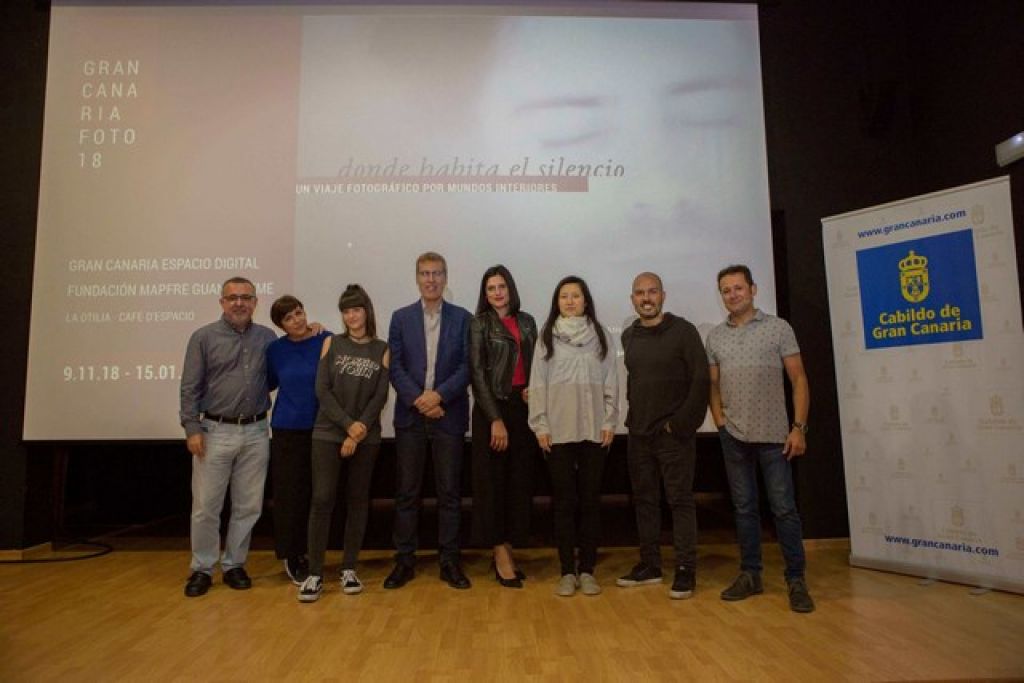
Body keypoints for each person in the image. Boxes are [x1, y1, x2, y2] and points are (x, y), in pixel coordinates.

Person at [706, 264, 815, 613]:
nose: (732, 295)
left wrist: (799, 427)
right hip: (734, 436)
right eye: (726, 290)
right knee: (744, 509)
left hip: (774, 436)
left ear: (753, 289)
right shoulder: (715, 337)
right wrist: (720, 421)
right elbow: (713, 384)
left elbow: (799, 379)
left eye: (738, 288)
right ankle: (750, 574)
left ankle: (796, 579)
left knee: (783, 509)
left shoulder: (778, 328)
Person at [179, 276, 276, 597]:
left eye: (246, 297)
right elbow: (190, 388)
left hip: (257, 431)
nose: (239, 303)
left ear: (255, 302)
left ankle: (234, 564)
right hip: (214, 431)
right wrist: (192, 428)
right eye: (233, 297)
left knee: (248, 506)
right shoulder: (203, 338)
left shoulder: (267, 337)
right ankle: (202, 568)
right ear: (222, 302)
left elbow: (278, 375)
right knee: (206, 506)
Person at [617, 272, 709, 599]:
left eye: (652, 291)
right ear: (633, 299)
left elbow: (701, 381)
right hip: (638, 434)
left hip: (673, 436)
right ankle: (650, 565)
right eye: (640, 293)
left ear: (663, 296)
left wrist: (680, 424)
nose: (646, 298)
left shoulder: (684, 332)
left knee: (680, 500)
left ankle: (685, 569)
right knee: (644, 501)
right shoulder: (629, 336)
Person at [385, 252, 473, 590]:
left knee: (450, 493)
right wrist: (420, 401)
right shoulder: (400, 318)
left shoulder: (463, 318)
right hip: (411, 417)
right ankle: (404, 561)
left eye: (437, 273)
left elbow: (466, 366)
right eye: (425, 273)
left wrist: (438, 397)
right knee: (407, 493)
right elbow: (395, 367)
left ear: (445, 278)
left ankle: (449, 561)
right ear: (417, 278)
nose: (431, 280)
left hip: (448, 415)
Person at [299, 285, 390, 602]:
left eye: (356, 309)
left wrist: (358, 430)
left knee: (357, 500)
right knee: (322, 499)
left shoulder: (382, 348)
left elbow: (380, 396)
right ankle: (314, 573)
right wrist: (348, 426)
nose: (351, 316)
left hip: (366, 436)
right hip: (328, 432)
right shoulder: (331, 343)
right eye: (346, 311)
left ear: (367, 311)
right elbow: (322, 390)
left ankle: (349, 568)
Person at [528, 275, 618, 597]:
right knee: (564, 504)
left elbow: (611, 381)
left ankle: (588, 570)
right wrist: (541, 425)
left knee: (590, 503)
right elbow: (537, 383)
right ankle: (567, 570)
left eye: (575, 296)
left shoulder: (601, 335)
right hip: (558, 433)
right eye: (564, 296)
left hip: (594, 431)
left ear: (585, 300)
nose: (570, 301)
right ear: (557, 302)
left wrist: (610, 420)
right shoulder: (546, 337)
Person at [468, 265, 538, 589]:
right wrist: (495, 418)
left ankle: (508, 546)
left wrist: (534, 388)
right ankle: (498, 552)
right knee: (492, 484)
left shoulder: (527, 321)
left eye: (501, 286)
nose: (497, 293)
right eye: (491, 288)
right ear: (485, 294)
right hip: (491, 411)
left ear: (510, 288)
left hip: (522, 410)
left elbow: (538, 364)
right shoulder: (479, 323)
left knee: (517, 483)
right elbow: (477, 374)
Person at [266, 295, 331, 587]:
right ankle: (293, 555)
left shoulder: (326, 340)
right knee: (290, 496)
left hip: (323, 428)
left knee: (319, 494)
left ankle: (316, 551)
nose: (297, 320)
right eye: (289, 318)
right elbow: (269, 382)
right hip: (288, 430)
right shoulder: (275, 350)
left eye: (299, 312)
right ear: (281, 325)